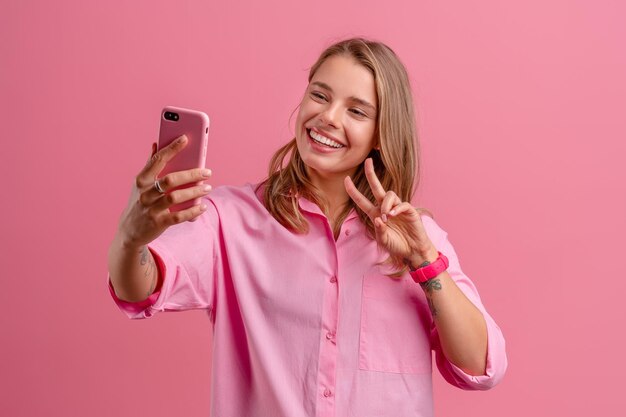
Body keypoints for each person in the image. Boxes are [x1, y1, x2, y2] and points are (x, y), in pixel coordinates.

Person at [108, 38, 507, 417]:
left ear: (381, 136)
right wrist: (132, 238)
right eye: (320, 95)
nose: (328, 118)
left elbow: (480, 365)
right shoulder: (230, 220)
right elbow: (139, 288)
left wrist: (423, 262)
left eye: (357, 111)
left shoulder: (420, 239)